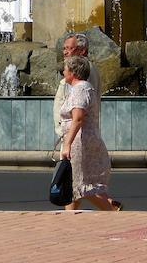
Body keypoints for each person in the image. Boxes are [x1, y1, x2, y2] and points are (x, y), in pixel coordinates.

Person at [58, 55, 120, 211]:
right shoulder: (84, 88)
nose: (63, 72)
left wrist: (67, 144)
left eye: (65, 69)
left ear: (73, 72)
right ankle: (69, 220)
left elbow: (78, 119)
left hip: (80, 142)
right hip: (83, 139)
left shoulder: (80, 89)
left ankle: (112, 211)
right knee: (75, 186)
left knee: (80, 185)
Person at [53, 33, 101, 137]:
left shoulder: (85, 73)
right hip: (71, 134)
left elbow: (79, 111)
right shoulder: (75, 71)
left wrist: (68, 140)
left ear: (82, 50)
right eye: (64, 48)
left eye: (70, 48)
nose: (65, 52)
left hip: (78, 136)